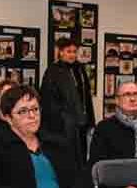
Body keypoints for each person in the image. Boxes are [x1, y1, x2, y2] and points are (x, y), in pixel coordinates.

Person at [39, 38, 95, 166]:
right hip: (62, 126)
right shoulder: (53, 71)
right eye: (69, 51)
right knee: (67, 160)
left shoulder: (80, 69)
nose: (72, 55)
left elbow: (86, 96)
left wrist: (90, 120)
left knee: (81, 159)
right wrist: (64, 118)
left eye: (75, 51)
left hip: (81, 123)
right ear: (61, 52)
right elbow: (47, 100)